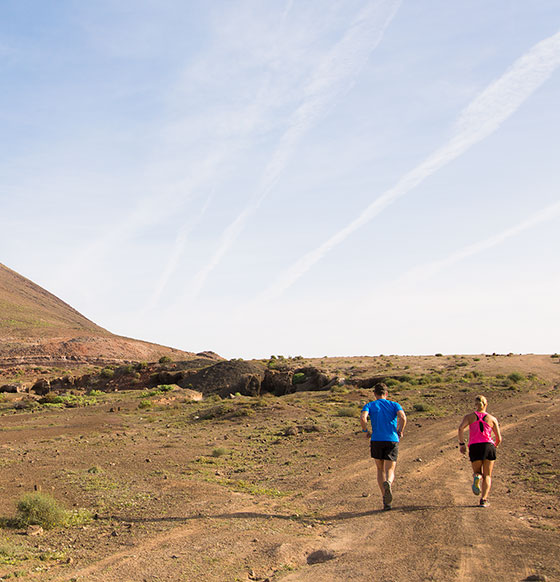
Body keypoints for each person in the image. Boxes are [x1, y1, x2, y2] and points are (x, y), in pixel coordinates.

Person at [360, 383, 407, 510]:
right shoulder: (394, 404)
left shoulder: (370, 405)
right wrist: (400, 430)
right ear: (386, 394)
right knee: (390, 470)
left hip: (376, 440)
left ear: (374, 394)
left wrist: (366, 431)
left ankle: (385, 500)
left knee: (380, 469)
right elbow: (402, 417)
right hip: (391, 439)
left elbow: (363, 417)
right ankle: (389, 483)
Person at [457, 395, 502, 507]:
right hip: (488, 446)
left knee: (477, 472)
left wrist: (462, 444)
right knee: (488, 475)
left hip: (475, 447)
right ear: (486, 404)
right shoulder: (492, 419)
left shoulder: (469, 417)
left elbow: (460, 428)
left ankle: (477, 477)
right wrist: (494, 446)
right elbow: (499, 438)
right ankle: (484, 499)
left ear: (475, 404)